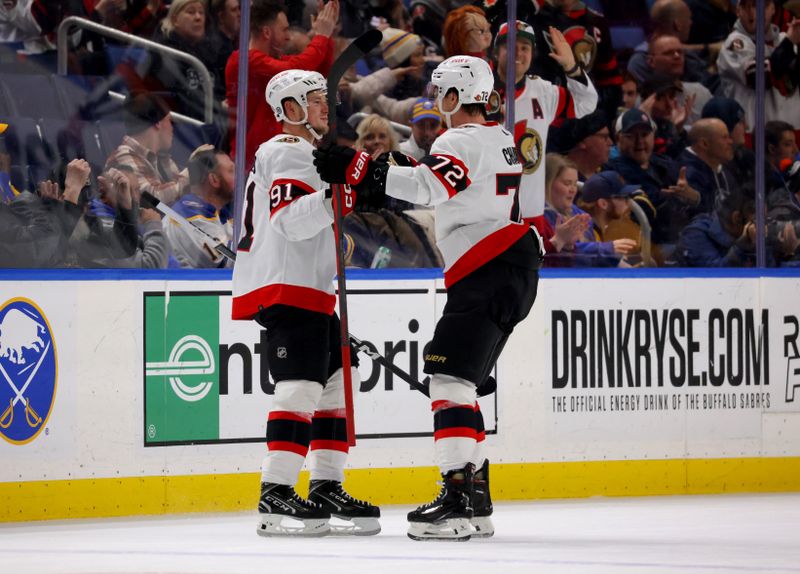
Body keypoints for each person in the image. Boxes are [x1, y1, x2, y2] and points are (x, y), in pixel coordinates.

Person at [313, 55, 543, 541]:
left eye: (443, 93)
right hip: (511, 271)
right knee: (461, 386)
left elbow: (427, 186)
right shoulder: (501, 139)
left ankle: (458, 501)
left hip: (486, 269)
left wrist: (359, 168)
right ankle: (476, 503)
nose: (439, 102)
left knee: (448, 380)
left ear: (457, 96)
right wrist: (383, 173)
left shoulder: (459, 138)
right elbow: (454, 185)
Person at [230, 69, 380, 538]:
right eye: (314, 101)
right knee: (300, 386)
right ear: (290, 109)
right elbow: (291, 221)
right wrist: (341, 195)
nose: (324, 108)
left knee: (338, 376)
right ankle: (275, 491)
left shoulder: (302, 154)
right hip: (288, 288)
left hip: (307, 287)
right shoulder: (288, 151)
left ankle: (325, 486)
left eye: (326, 100)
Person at [492, 20, 598, 230]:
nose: (518, 54)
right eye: (510, 46)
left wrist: (572, 67)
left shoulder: (542, 92)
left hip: (530, 214)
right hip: (488, 214)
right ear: (496, 52)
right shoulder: (479, 91)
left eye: (524, 48)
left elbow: (586, 104)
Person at [225, 0, 338, 171]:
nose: (288, 36)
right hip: (254, 164)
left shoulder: (277, 63)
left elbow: (319, 73)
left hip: (283, 156)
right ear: (267, 32)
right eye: (284, 30)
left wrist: (326, 36)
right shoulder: (243, 60)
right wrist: (321, 37)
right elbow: (290, 70)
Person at [717, 0, 800, 132]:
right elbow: (759, 77)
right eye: (746, 6)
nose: (753, 12)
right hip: (757, 138)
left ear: (773, 9)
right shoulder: (734, 43)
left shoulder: (785, 39)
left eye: (761, 6)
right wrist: (789, 44)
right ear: (738, 11)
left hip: (793, 134)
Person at [542, 154, 637, 267]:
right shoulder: (538, 217)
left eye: (575, 184)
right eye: (567, 183)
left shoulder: (580, 215)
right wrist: (606, 250)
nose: (573, 190)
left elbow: (589, 261)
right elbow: (555, 258)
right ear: (548, 184)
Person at [105, 93, 188, 205]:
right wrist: (192, 172)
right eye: (170, 121)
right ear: (158, 123)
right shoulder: (123, 157)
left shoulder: (161, 159)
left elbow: (182, 197)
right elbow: (151, 200)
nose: (172, 128)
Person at [163, 145, 234, 268]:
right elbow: (227, 259)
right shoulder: (187, 213)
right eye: (231, 171)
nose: (238, 177)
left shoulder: (219, 213)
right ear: (214, 180)